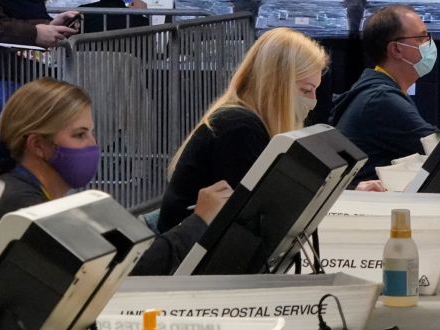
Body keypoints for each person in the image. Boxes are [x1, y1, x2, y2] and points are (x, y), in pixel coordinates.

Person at [0, 79, 231, 275]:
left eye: (91, 132)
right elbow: (132, 268)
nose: (93, 144)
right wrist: (201, 219)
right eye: (79, 135)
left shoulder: (18, 191)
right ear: (37, 145)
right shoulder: (27, 208)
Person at [159, 28, 382, 233]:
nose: (313, 101)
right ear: (277, 85)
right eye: (306, 90)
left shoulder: (245, 123)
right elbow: (264, 215)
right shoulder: (238, 127)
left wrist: (346, 192)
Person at [331, 5, 439, 183]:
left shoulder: (380, 89)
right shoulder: (381, 99)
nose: (429, 43)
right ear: (396, 49)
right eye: (421, 37)